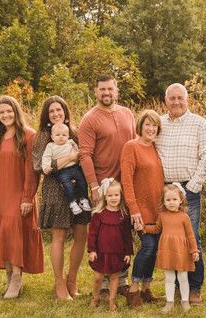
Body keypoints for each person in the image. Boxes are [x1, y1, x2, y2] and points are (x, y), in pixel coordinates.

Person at [78, 74, 136, 296]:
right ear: (96, 91)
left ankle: (121, 281)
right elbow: (84, 155)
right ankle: (102, 285)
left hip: (125, 185)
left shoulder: (127, 113)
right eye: (102, 89)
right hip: (102, 187)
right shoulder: (90, 119)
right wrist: (93, 186)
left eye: (110, 89)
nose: (106, 93)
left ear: (116, 90)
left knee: (122, 234)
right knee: (103, 236)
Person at [0, 95, 44, 299]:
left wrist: (28, 197)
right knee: (2, 232)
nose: (5, 115)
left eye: (9, 111)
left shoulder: (28, 135)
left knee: (12, 231)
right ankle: (10, 276)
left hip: (18, 192)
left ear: (16, 112)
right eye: (1, 112)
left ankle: (17, 277)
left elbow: (32, 170)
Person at [155, 83, 206, 304]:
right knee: (170, 238)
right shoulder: (157, 123)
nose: (176, 102)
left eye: (180, 98)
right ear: (165, 100)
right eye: (172, 98)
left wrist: (192, 187)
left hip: (189, 189)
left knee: (190, 237)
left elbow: (205, 157)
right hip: (165, 190)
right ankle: (177, 286)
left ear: (187, 100)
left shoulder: (200, 124)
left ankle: (194, 287)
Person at [32, 96, 90, 300]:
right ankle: (59, 284)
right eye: (51, 111)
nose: (56, 114)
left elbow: (84, 157)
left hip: (77, 187)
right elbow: (41, 167)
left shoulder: (74, 133)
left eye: (59, 110)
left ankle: (71, 280)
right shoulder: (42, 137)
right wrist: (69, 159)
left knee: (82, 233)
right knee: (59, 235)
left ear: (65, 112)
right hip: (55, 189)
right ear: (46, 116)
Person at [120, 109, 164, 307]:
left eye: (154, 125)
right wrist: (133, 208)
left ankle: (146, 288)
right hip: (140, 207)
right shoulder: (131, 146)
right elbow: (126, 181)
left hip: (157, 207)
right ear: (140, 126)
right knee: (148, 246)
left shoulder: (154, 147)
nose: (151, 128)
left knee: (154, 249)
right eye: (147, 124)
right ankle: (133, 289)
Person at [142, 183, 199, 313]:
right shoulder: (162, 215)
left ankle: (185, 301)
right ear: (163, 201)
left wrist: (194, 250)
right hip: (167, 250)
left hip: (182, 251)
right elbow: (157, 229)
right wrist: (144, 228)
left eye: (174, 199)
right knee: (169, 278)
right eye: (168, 200)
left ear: (180, 201)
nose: (171, 202)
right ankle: (169, 302)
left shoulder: (184, 217)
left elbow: (191, 235)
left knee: (183, 277)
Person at [88, 179, 133, 311]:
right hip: (101, 252)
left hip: (117, 252)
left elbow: (127, 236)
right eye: (110, 195)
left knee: (115, 277)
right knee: (98, 277)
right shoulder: (98, 215)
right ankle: (95, 298)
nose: (113, 198)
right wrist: (92, 250)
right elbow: (92, 234)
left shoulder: (123, 216)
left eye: (116, 195)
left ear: (120, 196)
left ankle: (111, 301)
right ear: (105, 196)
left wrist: (128, 252)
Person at [42, 123, 91, 215]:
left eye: (64, 135)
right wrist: (46, 166)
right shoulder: (50, 146)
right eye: (58, 135)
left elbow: (78, 152)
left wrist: (80, 161)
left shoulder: (71, 142)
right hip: (63, 171)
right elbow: (46, 157)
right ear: (52, 137)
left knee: (82, 182)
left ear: (68, 136)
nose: (61, 137)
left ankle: (83, 199)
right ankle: (72, 203)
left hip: (75, 168)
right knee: (68, 186)